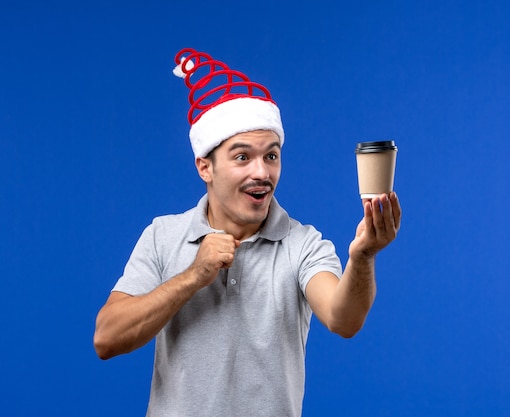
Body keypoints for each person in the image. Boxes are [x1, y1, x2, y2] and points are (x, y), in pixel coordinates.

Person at [94, 48, 401, 417]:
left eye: (271, 156)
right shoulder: (163, 235)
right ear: (205, 167)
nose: (262, 172)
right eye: (242, 157)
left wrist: (363, 256)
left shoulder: (302, 244)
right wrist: (194, 276)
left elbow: (344, 319)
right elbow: (107, 338)